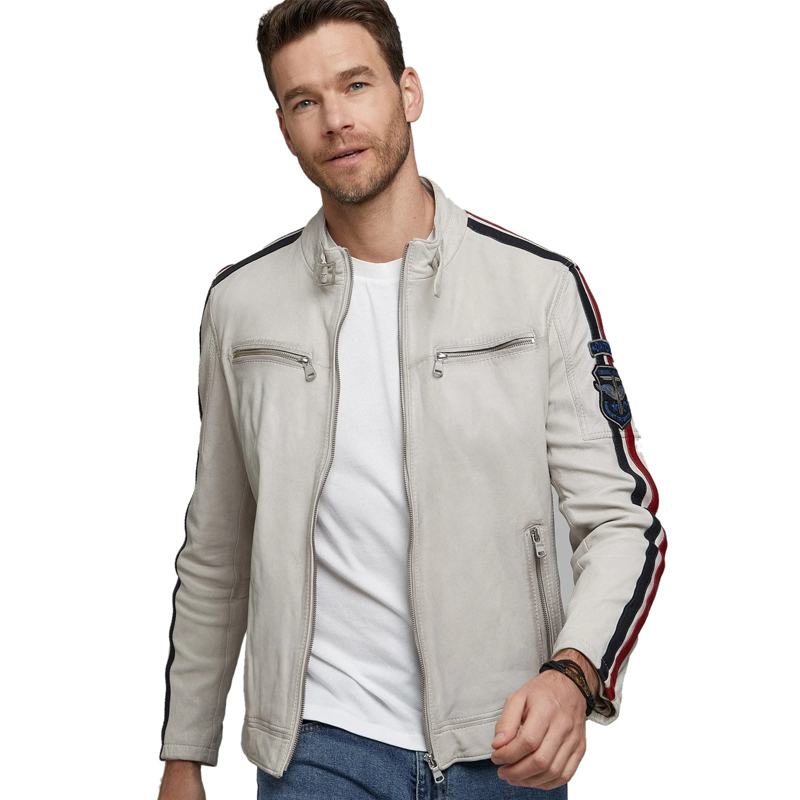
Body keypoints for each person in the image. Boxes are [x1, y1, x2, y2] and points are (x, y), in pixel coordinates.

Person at [157, 1, 667, 798]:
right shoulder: (241, 307)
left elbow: (621, 520)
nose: (335, 119)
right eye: (304, 100)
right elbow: (217, 544)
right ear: (284, 127)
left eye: (355, 84)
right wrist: (184, 754)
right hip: (316, 749)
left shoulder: (537, 290)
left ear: (409, 92)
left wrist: (574, 675)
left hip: (504, 740)